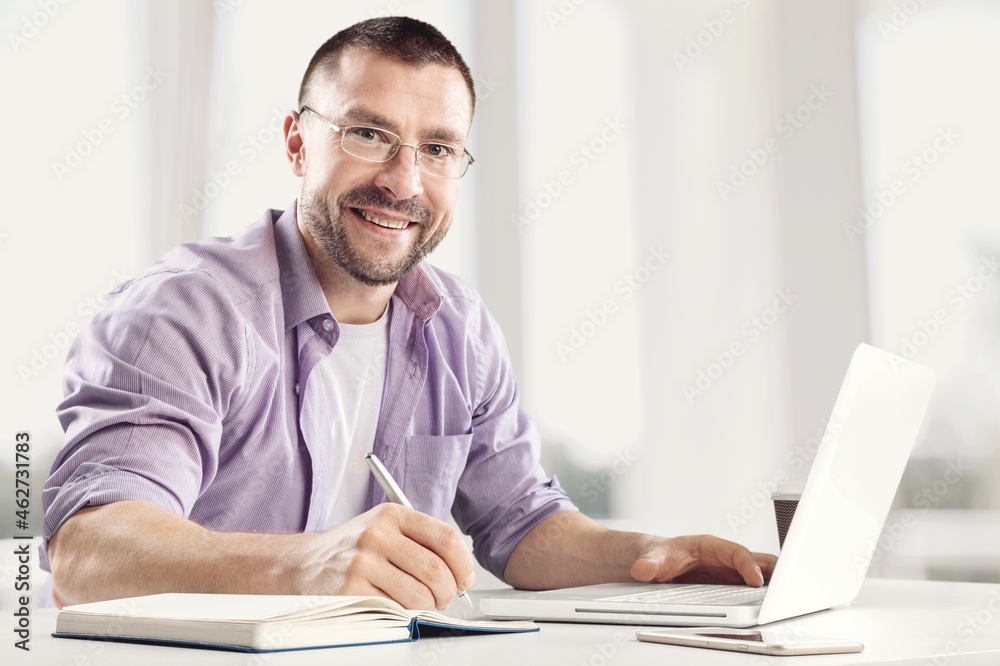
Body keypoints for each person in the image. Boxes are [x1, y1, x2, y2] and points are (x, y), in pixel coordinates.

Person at [42, 16, 775, 610]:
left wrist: (648, 554)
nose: (403, 181)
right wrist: (308, 565)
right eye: (368, 134)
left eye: (438, 148)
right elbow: (87, 552)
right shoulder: (184, 312)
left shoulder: (457, 329)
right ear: (298, 143)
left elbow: (523, 527)